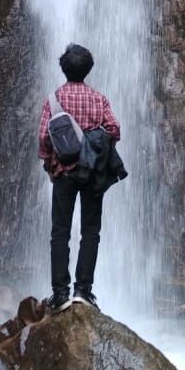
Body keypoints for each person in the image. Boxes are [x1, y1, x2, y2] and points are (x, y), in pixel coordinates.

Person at [37, 43, 121, 312]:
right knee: (91, 231)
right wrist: (93, 141)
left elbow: (43, 138)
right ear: (88, 70)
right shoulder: (99, 99)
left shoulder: (54, 99)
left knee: (60, 232)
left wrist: (51, 163)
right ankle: (83, 291)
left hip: (63, 172)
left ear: (63, 68)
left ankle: (60, 294)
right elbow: (114, 130)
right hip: (93, 172)